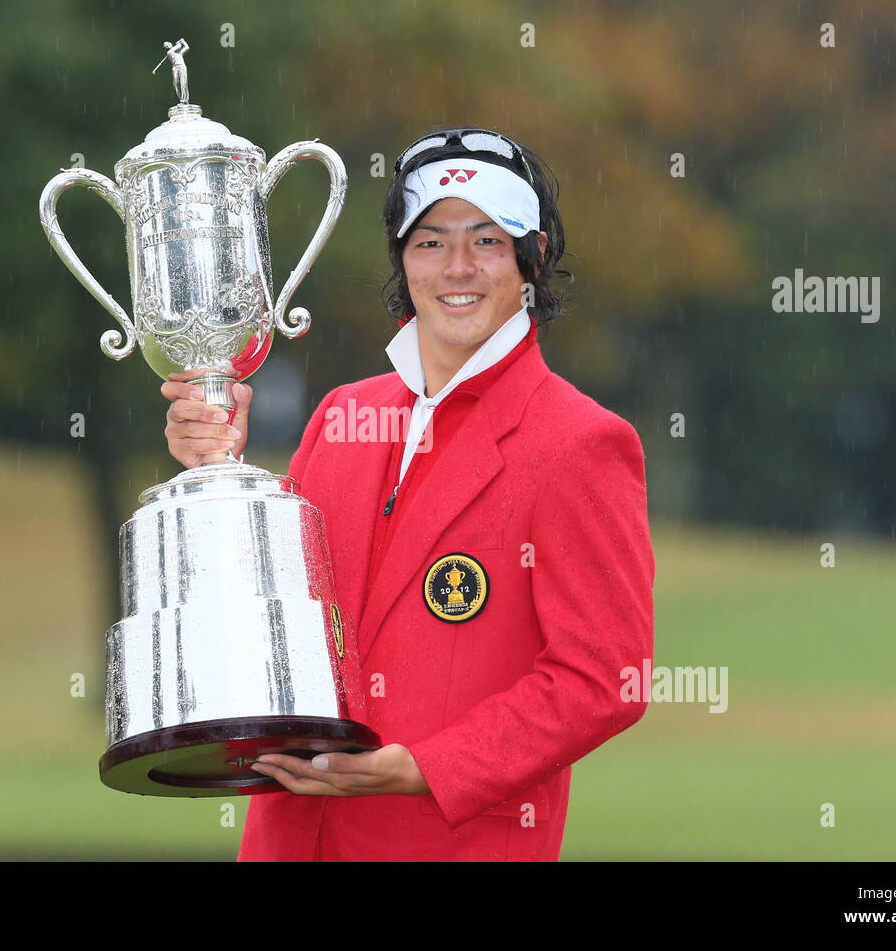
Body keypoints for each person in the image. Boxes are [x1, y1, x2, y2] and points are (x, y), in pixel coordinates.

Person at [161, 127, 655, 861]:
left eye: (487, 240)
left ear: (533, 257)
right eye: (430, 241)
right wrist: (217, 476)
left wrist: (423, 768)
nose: (458, 268)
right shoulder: (339, 416)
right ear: (401, 257)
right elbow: (281, 616)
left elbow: (605, 679)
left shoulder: (580, 442)